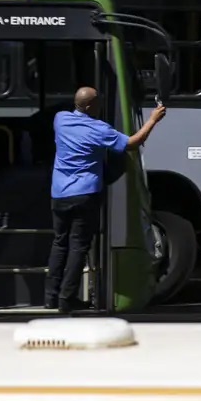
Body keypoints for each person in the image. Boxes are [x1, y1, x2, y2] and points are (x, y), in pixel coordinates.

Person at [45, 86, 166, 312]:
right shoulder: (99, 129)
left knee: (59, 243)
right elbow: (131, 143)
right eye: (98, 101)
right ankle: (66, 299)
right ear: (90, 106)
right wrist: (152, 120)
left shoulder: (60, 119)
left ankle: (50, 296)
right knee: (78, 247)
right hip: (84, 194)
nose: (102, 104)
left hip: (59, 193)